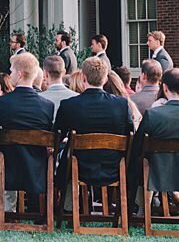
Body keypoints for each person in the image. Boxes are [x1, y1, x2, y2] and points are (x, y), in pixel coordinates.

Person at [133, 68, 179, 213]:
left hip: (155, 173)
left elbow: (137, 146)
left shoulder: (152, 114)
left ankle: (142, 209)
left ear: (165, 87)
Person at [54, 57, 134, 191]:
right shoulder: (122, 105)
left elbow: (57, 137)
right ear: (105, 79)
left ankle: (68, 207)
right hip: (114, 168)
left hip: (78, 169)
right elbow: (131, 135)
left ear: (83, 78)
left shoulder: (69, 105)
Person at [0, 52, 56, 219]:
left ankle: (5, 213)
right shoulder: (47, 106)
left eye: (12, 71)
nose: (10, 74)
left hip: (8, 167)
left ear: (20, 74)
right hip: (36, 168)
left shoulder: (1, 103)